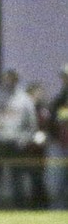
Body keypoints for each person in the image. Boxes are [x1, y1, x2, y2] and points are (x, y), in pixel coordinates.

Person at [0, 69, 38, 208]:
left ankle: (20, 209)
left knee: (17, 179)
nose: (8, 81)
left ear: (16, 80)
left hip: (16, 144)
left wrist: (24, 139)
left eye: (12, 79)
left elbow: (31, 124)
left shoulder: (24, 99)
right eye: (6, 78)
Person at [50, 64, 68, 208]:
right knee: (60, 178)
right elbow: (53, 118)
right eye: (64, 77)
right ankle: (59, 208)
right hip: (62, 144)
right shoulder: (60, 98)